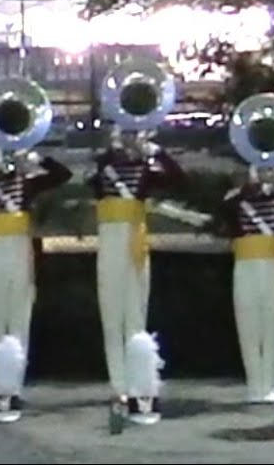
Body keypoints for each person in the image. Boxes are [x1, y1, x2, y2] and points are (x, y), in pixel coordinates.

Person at [0, 145, 70, 420]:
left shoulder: (27, 183)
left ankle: (14, 388)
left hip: (19, 249)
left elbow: (62, 175)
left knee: (19, 316)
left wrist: (34, 158)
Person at [86, 126, 185, 399]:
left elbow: (177, 178)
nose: (129, 139)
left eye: (133, 133)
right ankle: (118, 384)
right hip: (110, 239)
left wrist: (154, 152)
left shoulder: (144, 169)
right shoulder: (103, 165)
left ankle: (139, 377)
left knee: (136, 310)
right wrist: (115, 150)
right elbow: (90, 179)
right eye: (124, 133)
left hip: (135, 238)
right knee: (111, 310)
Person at [215, 165, 274, 403]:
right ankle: (254, 383)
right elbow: (226, 209)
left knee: (273, 322)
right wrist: (248, 186)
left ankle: (270, 383)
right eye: (260, 168)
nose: (264, 172)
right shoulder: (238, 197)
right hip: (245, 263)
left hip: (272, 263)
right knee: (248, 322)